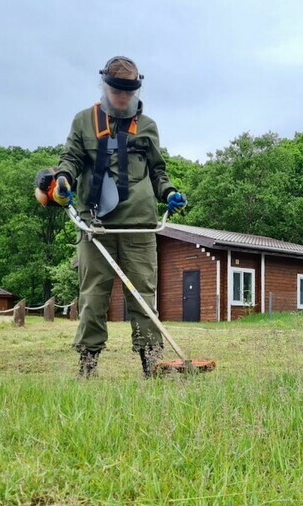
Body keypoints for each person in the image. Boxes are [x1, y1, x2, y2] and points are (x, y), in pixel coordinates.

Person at [35, 56, 187, 378]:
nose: (122, 98)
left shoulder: (147, 127)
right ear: (105, 86)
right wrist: (63, 180)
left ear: (136, 90)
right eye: (117, 91)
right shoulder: (83, 121)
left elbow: (158, 171)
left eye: (128, 92)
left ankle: (153, 366)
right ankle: (87, 368)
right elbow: (71, 159)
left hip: (140, 226)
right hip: (95, 226)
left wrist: (169, 192)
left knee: (143, 297)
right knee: (92, 297)